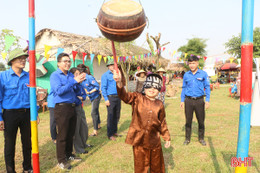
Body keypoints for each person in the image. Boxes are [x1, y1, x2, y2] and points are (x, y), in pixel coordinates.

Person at [114, 71, 171, 173]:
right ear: (145, 87)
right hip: (139, 140)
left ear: (159, 90)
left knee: (157, 165)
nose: (152, 89)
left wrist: (166, 137)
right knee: (140, 166)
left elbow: (162, 122)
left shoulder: (159, 104)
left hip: (154, 140)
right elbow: (124, 96)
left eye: (155, 87)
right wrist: (119, 83)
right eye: (149, 86)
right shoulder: (137, 98)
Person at [0, 48, 38, 173]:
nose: (23, 60)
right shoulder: (3, 76)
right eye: (20, 58)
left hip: (27, 113)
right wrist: (0, 118)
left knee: (27, 143)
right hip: (10, 114)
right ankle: (10, 170)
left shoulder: (29, 76)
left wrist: (35, 112)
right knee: (10, 144)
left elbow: (33, 96)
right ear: (11, 61)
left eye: (24, 58)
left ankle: (27, 168)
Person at [50, 53, 86, 170]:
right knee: (62, 135)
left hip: (72, 106)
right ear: (58, 63)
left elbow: (74, 90)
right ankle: (61, 160)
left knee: (71, 133)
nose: (67, 63)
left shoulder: (70, 75)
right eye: (65, 61)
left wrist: (78, 83)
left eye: (69, 61)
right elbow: (59, 91)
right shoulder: (55, 75)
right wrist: (73, 81)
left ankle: (69, 154)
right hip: (62, 107)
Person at [180, 55, 210, 146]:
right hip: (188, 100)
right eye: (190, 63)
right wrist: (182, 100)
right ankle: (187, 139)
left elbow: (207, 87)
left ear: (197, 63)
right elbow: (184, 88)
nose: (192, 65)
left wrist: (207, 100)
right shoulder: (186, 74)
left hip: (199, 100)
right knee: (188, 120)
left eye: (193, 63)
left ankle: (201, 138)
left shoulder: (203, 74)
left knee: (201, 120)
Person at [69, 67, 89, 154]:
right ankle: (79, 149)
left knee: (84, 127)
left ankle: (84, 143)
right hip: (74, 107)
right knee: (76, 129)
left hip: (80, 107)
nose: (78, 75)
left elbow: (84, 95)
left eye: (79, 73)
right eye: (76, 74)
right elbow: (73, 97)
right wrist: (79, 98)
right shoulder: (72, 84)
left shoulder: (80, 84)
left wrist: (82, 98)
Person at [78, 64, 101, 136]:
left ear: (83, 73)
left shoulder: (89, 78)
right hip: (91, 97)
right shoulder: (82, 80)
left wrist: (90, 92)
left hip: (96, 96)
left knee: (93, 112)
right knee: (95, 110)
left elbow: (97, 87)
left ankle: (95, 131)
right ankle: (98, 125)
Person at [101, 59, 121, 141]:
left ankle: (114, 131)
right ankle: (110, 134)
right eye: (111, 65)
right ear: (108, 66)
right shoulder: (105, 75)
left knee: (117, 115)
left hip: (118, 97)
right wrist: (106, 99)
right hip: (110, 98)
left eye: (114, 65)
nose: (112, 66)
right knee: (111, 116)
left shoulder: (118, 74)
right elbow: (103, 88)